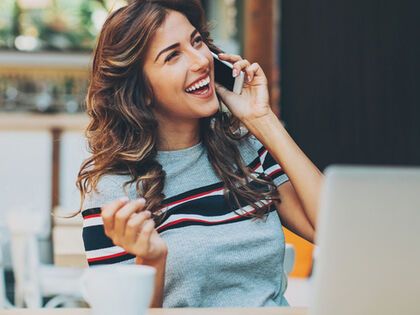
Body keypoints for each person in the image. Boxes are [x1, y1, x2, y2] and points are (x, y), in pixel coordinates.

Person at [77, 0, 323, 308]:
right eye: (173, 55)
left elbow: (334, 230)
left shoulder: (246, 150)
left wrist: (263, 120)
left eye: (196, 42)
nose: (200, 61)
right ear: (140, 90)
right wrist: (152, 260)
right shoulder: (114, 192)